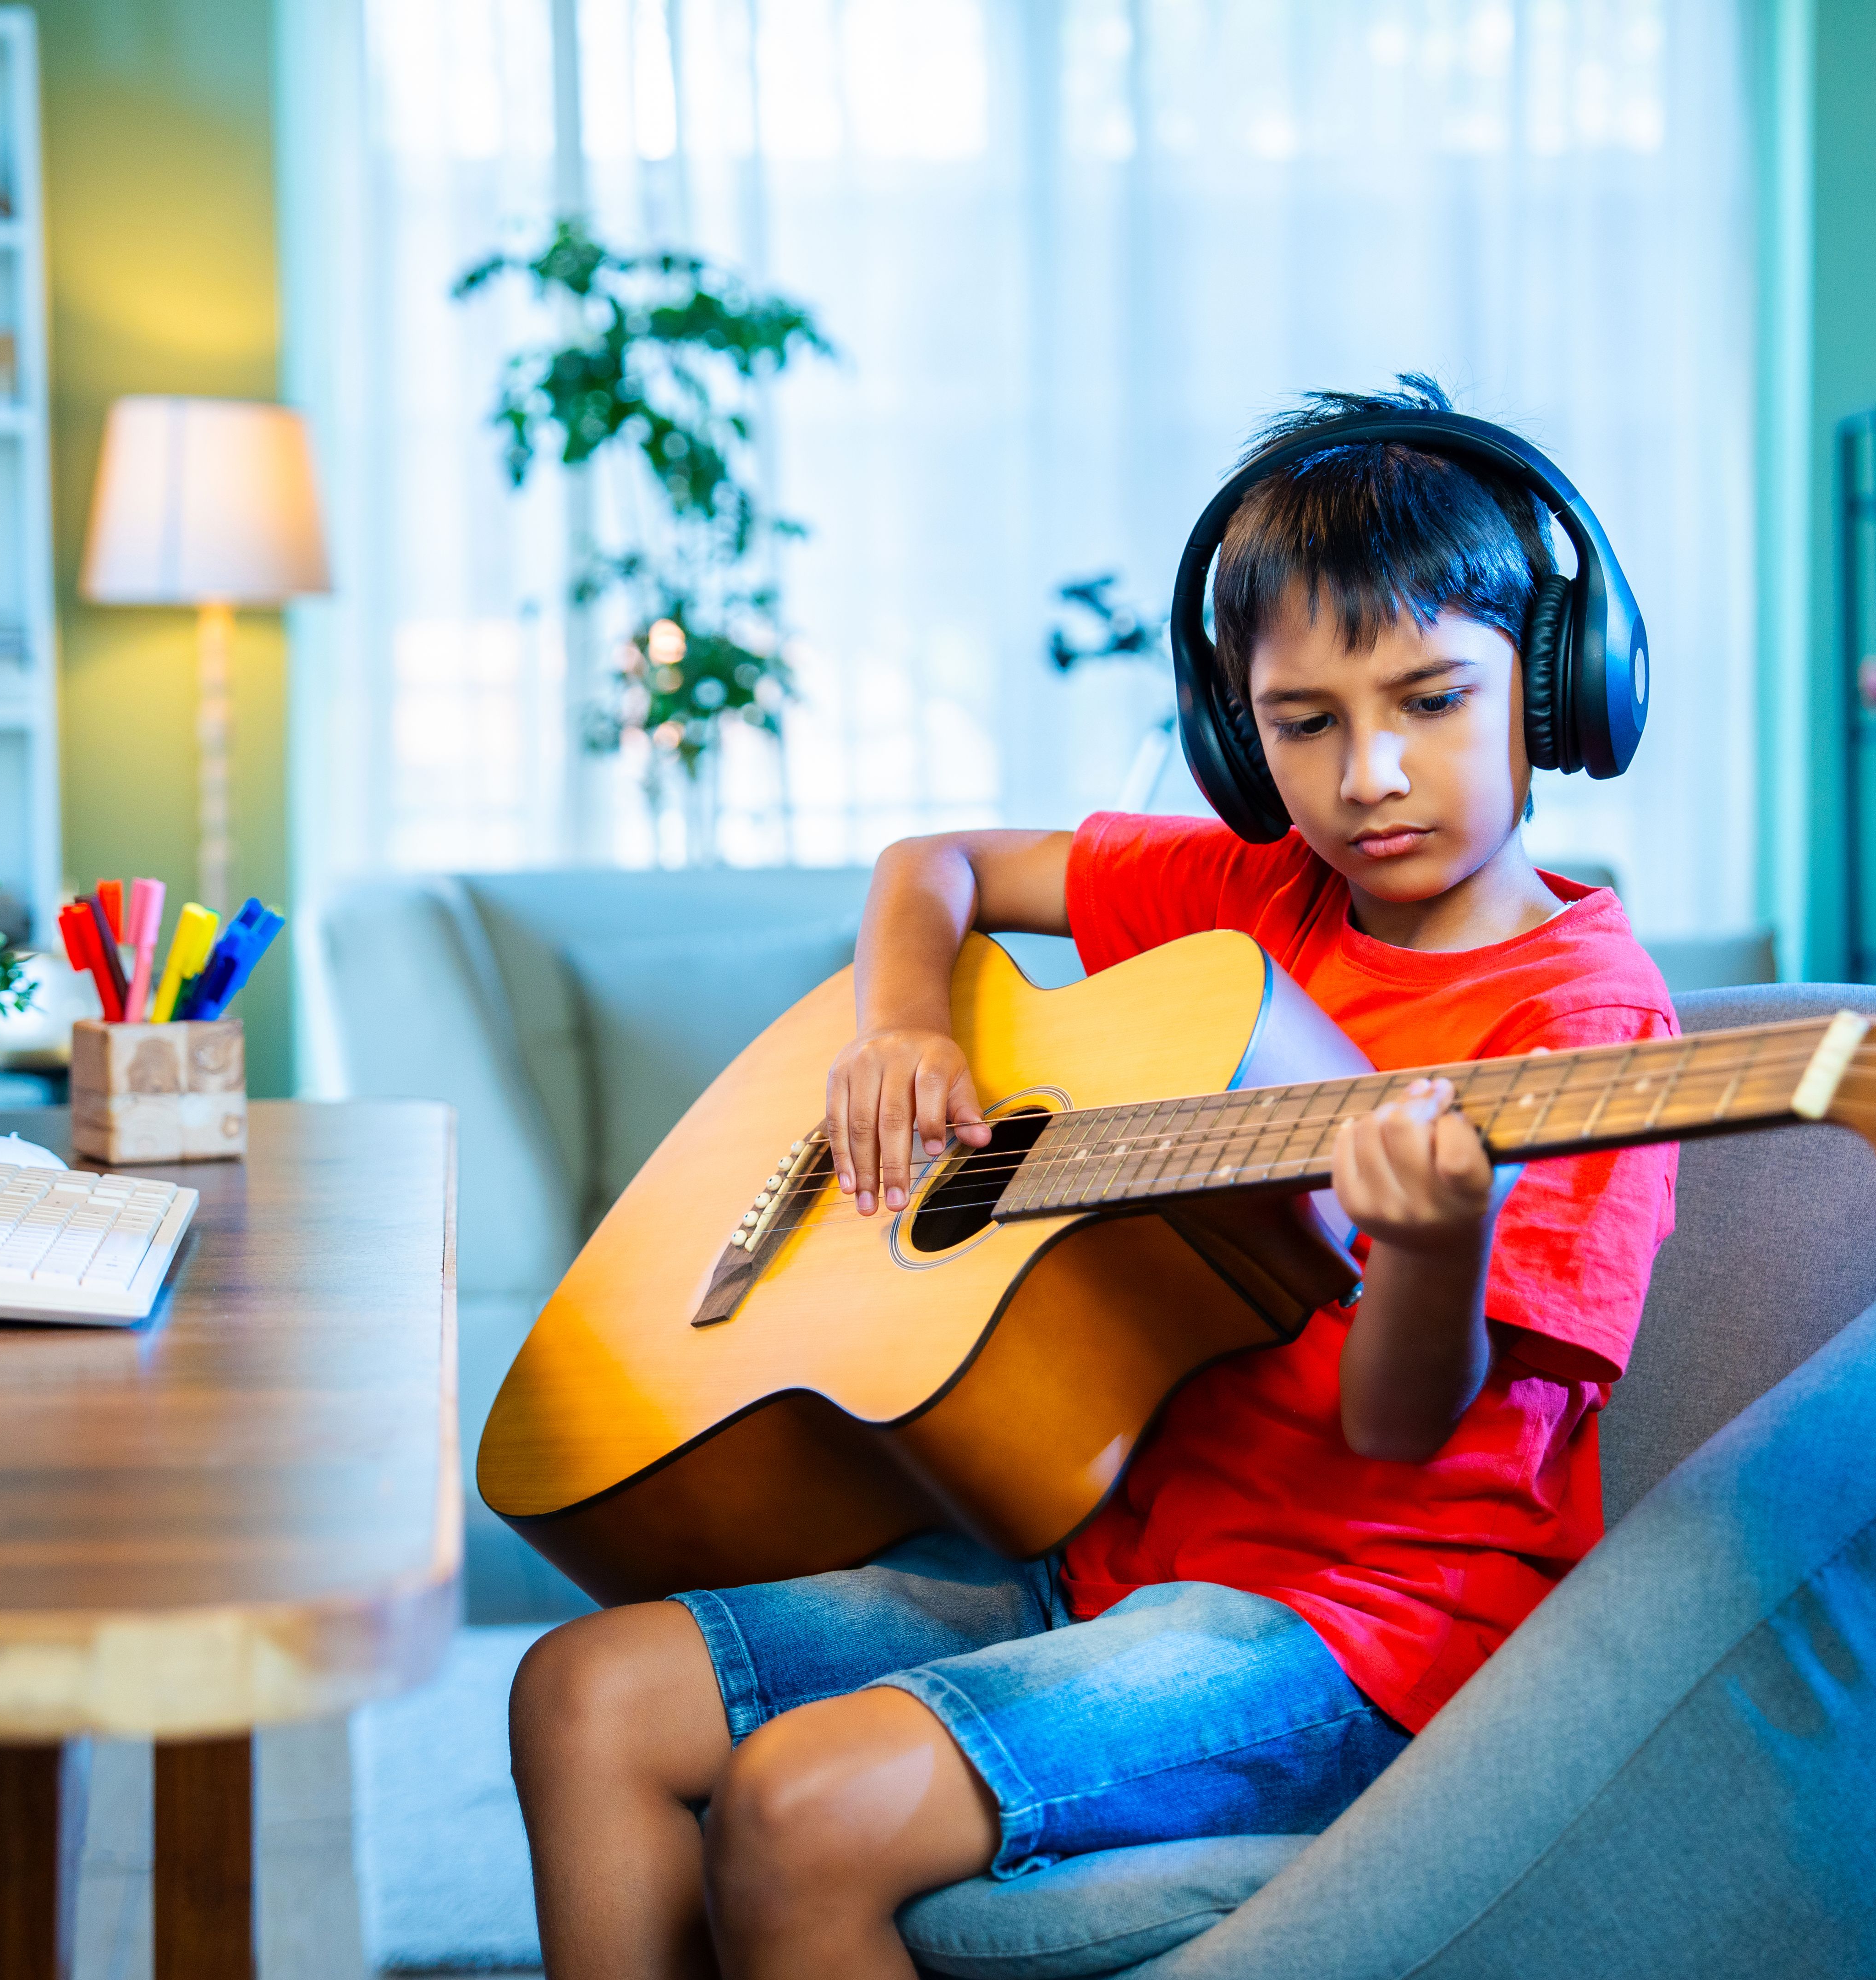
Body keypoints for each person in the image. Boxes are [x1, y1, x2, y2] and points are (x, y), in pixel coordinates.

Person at [507, 380, 1680, 1980]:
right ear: (1238, 732)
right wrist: (908, 1031)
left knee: (802, 1805)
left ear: (1554, 694)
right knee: (584, 1696)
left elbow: (1407, 1431)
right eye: (1307, 723)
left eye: (1433, 700)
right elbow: (939, 865)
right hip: (1106, 1559)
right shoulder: (1247, 893)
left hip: (1365, 1632)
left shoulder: (1586, 1022)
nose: (1372, 777)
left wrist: (1431, 1248)